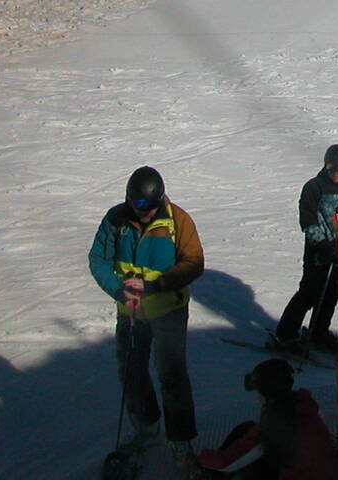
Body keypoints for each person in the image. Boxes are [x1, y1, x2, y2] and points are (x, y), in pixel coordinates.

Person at [89, 165, 204, 469]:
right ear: (130, 200)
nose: (146, 211)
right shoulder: (116, 220)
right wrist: (118, 290)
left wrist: (156, 285)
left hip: (168, 311)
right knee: (132, 372)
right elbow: (98, 259)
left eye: (152, 205)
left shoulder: (177, 220)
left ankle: (180, 439)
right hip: (131, 312)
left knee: (172, 375)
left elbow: (194, 263)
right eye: (140, 204)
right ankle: (147, 427)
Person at [274, 144, 338, 352]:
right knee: (310, 292)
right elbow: (308, 220)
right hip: (318, 254)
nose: (335, 174)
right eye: (331, 168)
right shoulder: (313, 187)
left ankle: (318, 331)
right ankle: (285, 334)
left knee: (332, 294)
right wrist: (323, 245)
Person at [195, 358, 338, 479]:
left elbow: (227, 462)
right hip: (325, 472)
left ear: (266, 393)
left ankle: (210, 474)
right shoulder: (301, 406)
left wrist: (200, 459)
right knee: (247, 428)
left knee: (247, 448)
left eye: (258, 391)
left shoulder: (275, 424)